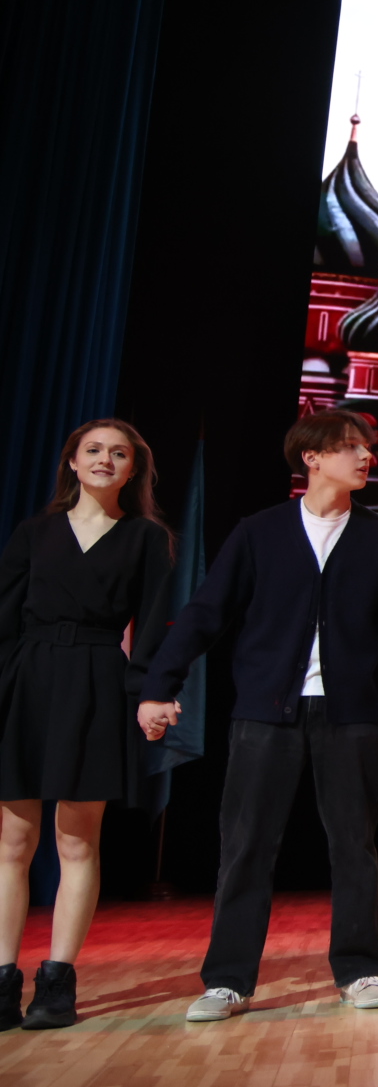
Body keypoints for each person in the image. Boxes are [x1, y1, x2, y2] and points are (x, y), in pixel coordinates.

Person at [142, 410, 378, 1022]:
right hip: (265, 713)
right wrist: (159, 686)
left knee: (354, 845)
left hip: (351, 714)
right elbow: (205, 613)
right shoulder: (260, 532)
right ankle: (227, 980)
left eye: (366, 448)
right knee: (246, 846)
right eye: (350, 447)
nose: (364, 457)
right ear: (311, 457)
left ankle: (360, 970)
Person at [0, 419, 177, 1031]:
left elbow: (152, 627)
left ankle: (57, 983)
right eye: (94, 450)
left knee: (77, 842)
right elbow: (4, 618)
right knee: (13, 842)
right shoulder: (35, 532)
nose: (105, 459)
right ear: (72, 462)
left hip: (98, 683)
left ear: (134, 469)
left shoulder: (147, 538)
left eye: (119, 453)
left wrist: (151, 694)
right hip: (28, 682)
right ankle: (2, 980)